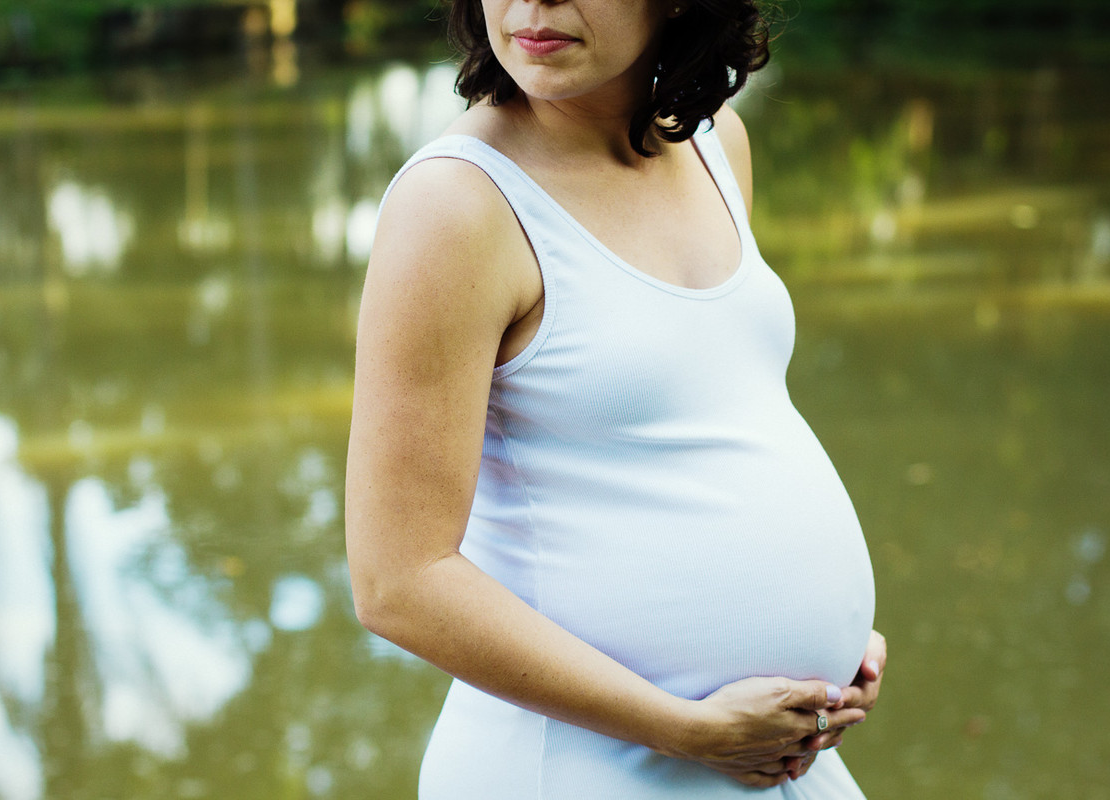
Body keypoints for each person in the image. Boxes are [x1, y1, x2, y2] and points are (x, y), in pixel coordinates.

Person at [345, 0, 887, 795]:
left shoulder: (714, 145)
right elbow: (398, 582)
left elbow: (717, 405)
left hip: (779, 756)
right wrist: (685, 729)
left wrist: (832, 642)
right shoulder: (456, 205)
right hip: (591, 765)